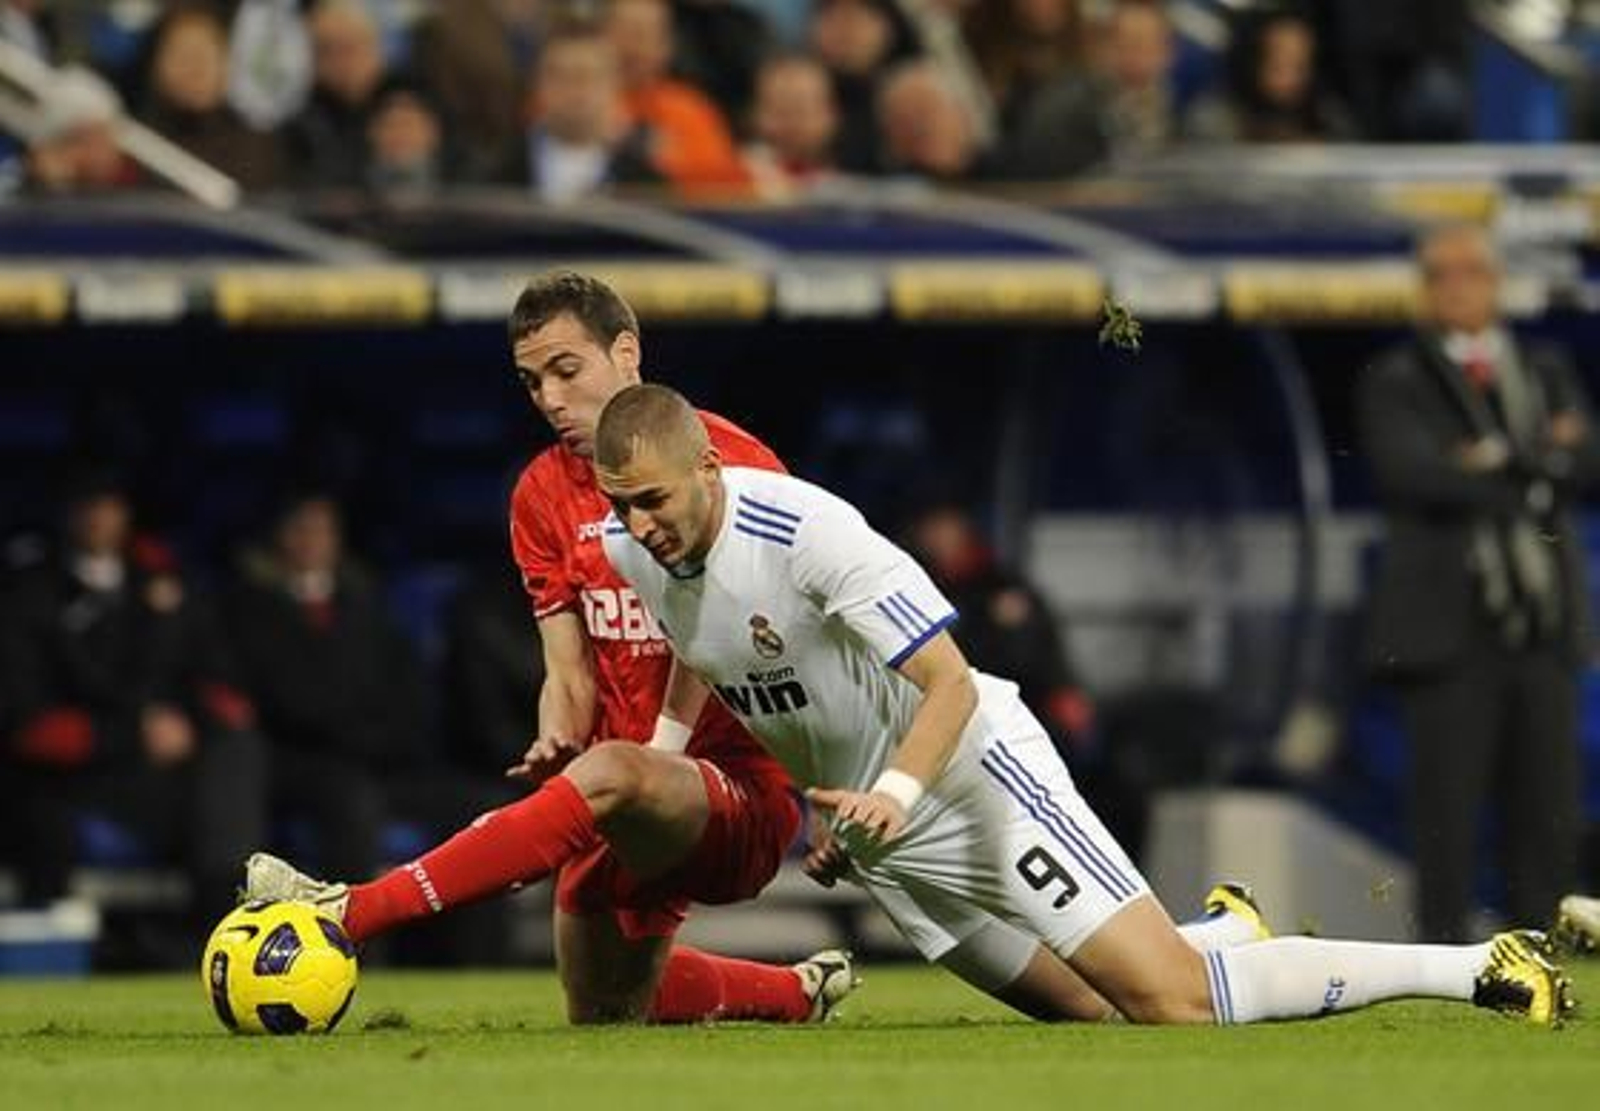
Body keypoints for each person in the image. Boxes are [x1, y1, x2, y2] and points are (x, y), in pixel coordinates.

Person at [587, 382, 1573, 1027]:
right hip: (881, 833)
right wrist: (674, 744)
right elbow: (702, 642)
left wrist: (889, 787)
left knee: (1172, 1004)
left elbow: (951, 682)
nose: (639, 524)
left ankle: (1474, 964)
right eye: (622, 504)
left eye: (655, 500)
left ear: (709, 471)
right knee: (1095, 1013)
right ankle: (1230, 931)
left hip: (968, 776)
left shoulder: (807, 531)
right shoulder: (636, 547)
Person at [247, 271, 854, 1025]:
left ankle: (348, 911)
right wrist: (556, 730)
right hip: (618, 780)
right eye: (532, 381)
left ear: (626, 352)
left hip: (730, 792)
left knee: (615, 772)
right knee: (606, 1006)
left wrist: (811, 778)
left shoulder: (729, 464)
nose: (550, 398)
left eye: (567, 371)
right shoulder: (540, 493)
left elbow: (726, 634)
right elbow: (567, 668)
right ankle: (794, 993)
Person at [1357, 224, 1600, 943]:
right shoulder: (1398, 377)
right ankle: (1442, 964)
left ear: (1496, 282)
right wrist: (1535, 461)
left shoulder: (1546, 365)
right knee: (1447, 821)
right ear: (1424, 290)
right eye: (1441, 274)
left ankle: (1542, 961)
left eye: (1471, 271)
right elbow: (1414, 474)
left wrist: (1488, 460)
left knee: (1546, 812)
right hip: (1446, 633)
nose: (1457, 286)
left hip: (1541, 626)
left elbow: (1587, 460)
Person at [0, 470, 265, 936]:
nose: (99, 517)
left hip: (163, 769)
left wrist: (184, 725)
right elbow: (24, 720)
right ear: (68, 513)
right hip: (76, 775)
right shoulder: (31, 593)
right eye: (88, 504)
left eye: (110, 504)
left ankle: (228, 931)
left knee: (235, 759)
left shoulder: (161, 585)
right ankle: (201, 935)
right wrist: (132, 733)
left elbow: (216, 681)